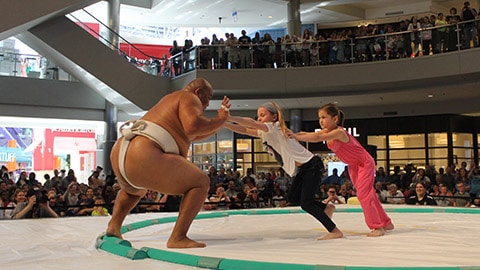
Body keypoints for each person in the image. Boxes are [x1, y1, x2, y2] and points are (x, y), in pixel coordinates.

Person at [106, 78, 230, 249]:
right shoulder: (189, 98)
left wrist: (219, 122)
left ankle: (114, 226)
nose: (208, 103)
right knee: (200, 182)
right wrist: (221, 118)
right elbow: (193, 127)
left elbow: (193, 135)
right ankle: (178, 237)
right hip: (145, 152)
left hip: (122, 151)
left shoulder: (170, 99)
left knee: (133, 191)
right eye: (208, 97)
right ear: (198, 92)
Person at [224, 101, 342, 240]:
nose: (259, 118)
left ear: (274, 117)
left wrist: (229, 117)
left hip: (312, 165)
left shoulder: (274, 127)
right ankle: (326, 208)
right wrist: (222, 122)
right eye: (258, 116)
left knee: (306, 203)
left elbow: (249, 123)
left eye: (262, 115)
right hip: (303, 168)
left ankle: (334, 230)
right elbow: (243, 130)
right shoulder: (265, 133)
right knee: (292, 198)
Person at [288, 103, 393, 237]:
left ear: (335, 119)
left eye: (324, 117)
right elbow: (307, 134)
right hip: (353, 165)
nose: (321, 121)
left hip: (364, 163)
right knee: (368, 194)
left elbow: (317, 138)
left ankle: (377, 227)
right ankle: (385, 222)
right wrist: (292, 134)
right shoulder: (328, 132)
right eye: (319, 117)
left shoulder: (339, 132)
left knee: (363, 195)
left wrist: (295, 137)